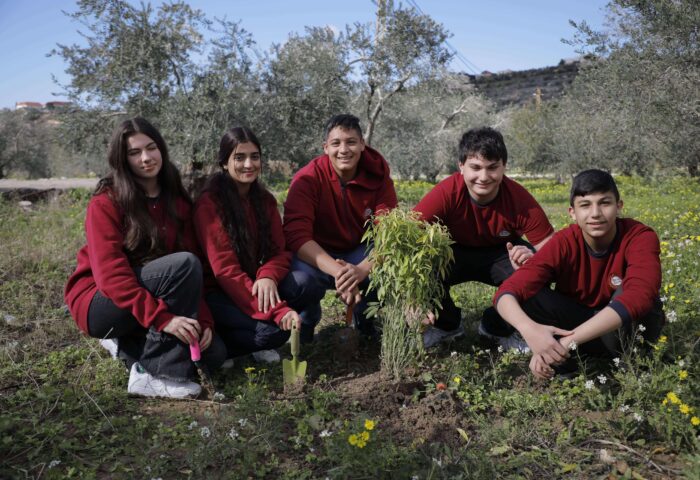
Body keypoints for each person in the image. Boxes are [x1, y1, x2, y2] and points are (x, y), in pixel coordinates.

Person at [64, 117, 226, 399]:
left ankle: (124, 344)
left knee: (214, 356)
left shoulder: (175, 200)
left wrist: (205, 319)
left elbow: (192, 275)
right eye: (134, 152)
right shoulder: (106, 202)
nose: (146, 158)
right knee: (183, 263)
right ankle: (153, 375)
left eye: (151, 148)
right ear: (122, 159)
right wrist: (163, 319)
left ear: (161, 148)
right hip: (100, 302)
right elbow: (111, 277)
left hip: (146, 296)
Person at [493, 169, 664, 378]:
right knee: (529, 293)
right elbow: (506, 292)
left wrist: (566, 342)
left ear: (619, 206)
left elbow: (640, 295)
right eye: (585, 205)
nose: (595, 213)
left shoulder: (639, 236)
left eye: (605, 203)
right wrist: (530, 332)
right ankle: (562, 362)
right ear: (572, 212)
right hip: (575, 327)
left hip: (619, 333)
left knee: (638, 296)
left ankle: (633, 362)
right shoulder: (564, 241)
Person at [414, 127, 554, 349]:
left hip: (502, 252)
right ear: (461, 167)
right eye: (475, 167)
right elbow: (406, 239)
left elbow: (552, 250)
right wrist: (412, 297)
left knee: (538, 273)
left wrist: (533, 258)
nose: (484, 177)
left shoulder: (519, 198)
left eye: (492, 168)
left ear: (504, 166)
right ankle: (446, 326)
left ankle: (495, 328)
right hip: (452, 252)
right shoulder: (446, 193)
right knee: (422, 266)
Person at [281, 114, 398, 342]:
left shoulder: (379, 176)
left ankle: (364, 319)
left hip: (358, 251)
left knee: (387, 267)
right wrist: (341, 273)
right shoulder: (307, 179)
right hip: (316, 254)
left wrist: (361, 270)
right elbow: (297, 235)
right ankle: (306, 321)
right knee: (297, 281)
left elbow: (388, 233)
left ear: (363, 144)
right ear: (325, 148)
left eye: (351, 142)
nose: (344, 150)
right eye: (336, 143)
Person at [193, 127, 304, 363]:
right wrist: (277, 311)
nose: (248, 164)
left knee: (302, 285)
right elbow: (226, 271)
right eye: (239, 157)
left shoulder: (265, 201)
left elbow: (281, 251)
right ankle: (224, 343)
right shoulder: (210, 204)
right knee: (275, 332)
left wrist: (267, 276)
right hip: (215, 293)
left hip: (250, 285)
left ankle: (242, 334)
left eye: (254, 157)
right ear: (224, 163)